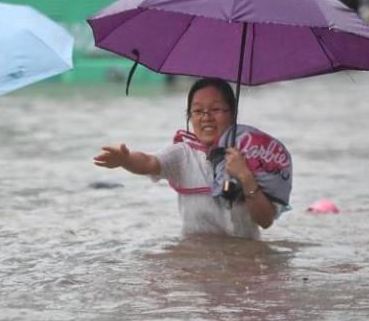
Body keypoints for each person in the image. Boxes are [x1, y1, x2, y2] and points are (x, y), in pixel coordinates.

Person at [94, 77, 292, 239]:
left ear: (233, 114)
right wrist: (126, 159)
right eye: (197, 111)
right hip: (196, 260)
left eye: (215, 109)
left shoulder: (255, 156)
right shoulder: (182, 154)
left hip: (244, 262)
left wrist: (245, 176)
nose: (206, 116)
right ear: (189, 117)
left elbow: (265, 222)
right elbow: (148, 162)